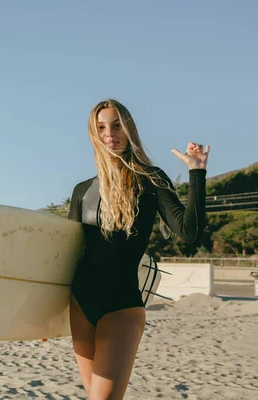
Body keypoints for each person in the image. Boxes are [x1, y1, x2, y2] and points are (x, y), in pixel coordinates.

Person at [67, 99, 210, 399]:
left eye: (117, 124)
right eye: (102, 127)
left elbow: (189, 232)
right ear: (94, 134)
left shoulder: (151, 180)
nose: (110, 133)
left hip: (122, 306)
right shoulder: (82, 191)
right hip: (80, 306)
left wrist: (197, 173)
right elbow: (67, 254)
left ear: (129, 128)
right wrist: (40, 312)